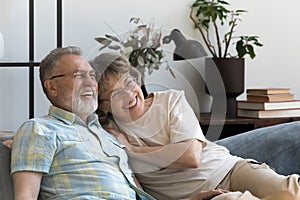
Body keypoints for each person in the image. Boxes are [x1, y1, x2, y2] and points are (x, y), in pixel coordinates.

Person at [9, 45, 229, 200]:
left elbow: (141, 194)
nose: (90, 83)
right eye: (79, 75)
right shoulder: (40, 129)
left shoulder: (108, 135)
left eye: (92, 76)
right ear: (52, 87)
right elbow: (25, 196)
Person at [91, 52, 300, 200]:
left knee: (289, 191)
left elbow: (191, 157)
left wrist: (135, 151)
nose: (129, 96)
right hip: (196, 196)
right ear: (103, 106)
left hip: (229, 169)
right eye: (115, 94)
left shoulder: (170, 100)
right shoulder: (106, 135)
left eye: (129, 83)